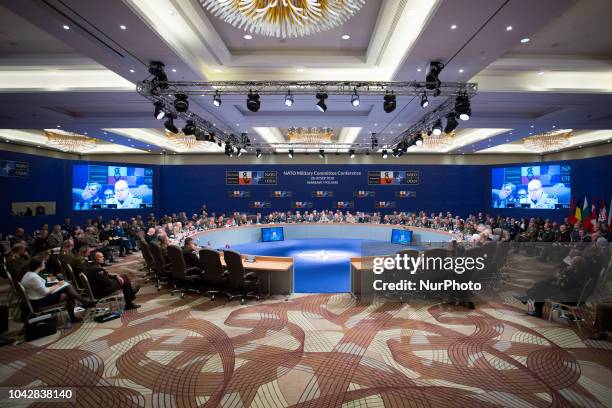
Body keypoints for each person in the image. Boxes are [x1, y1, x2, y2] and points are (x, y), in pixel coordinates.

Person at [19, 258, 94, 323]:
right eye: (43, 263)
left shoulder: (29, 274)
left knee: (67, 289)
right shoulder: (33, 277)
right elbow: (45, 292)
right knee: (67, 288)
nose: (45, 264)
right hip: (38, 302)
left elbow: (43, 285)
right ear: (39, 265)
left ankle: (82, 303)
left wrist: (57, 284)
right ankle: (83, 303)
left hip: (37, 297)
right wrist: (58, 285)